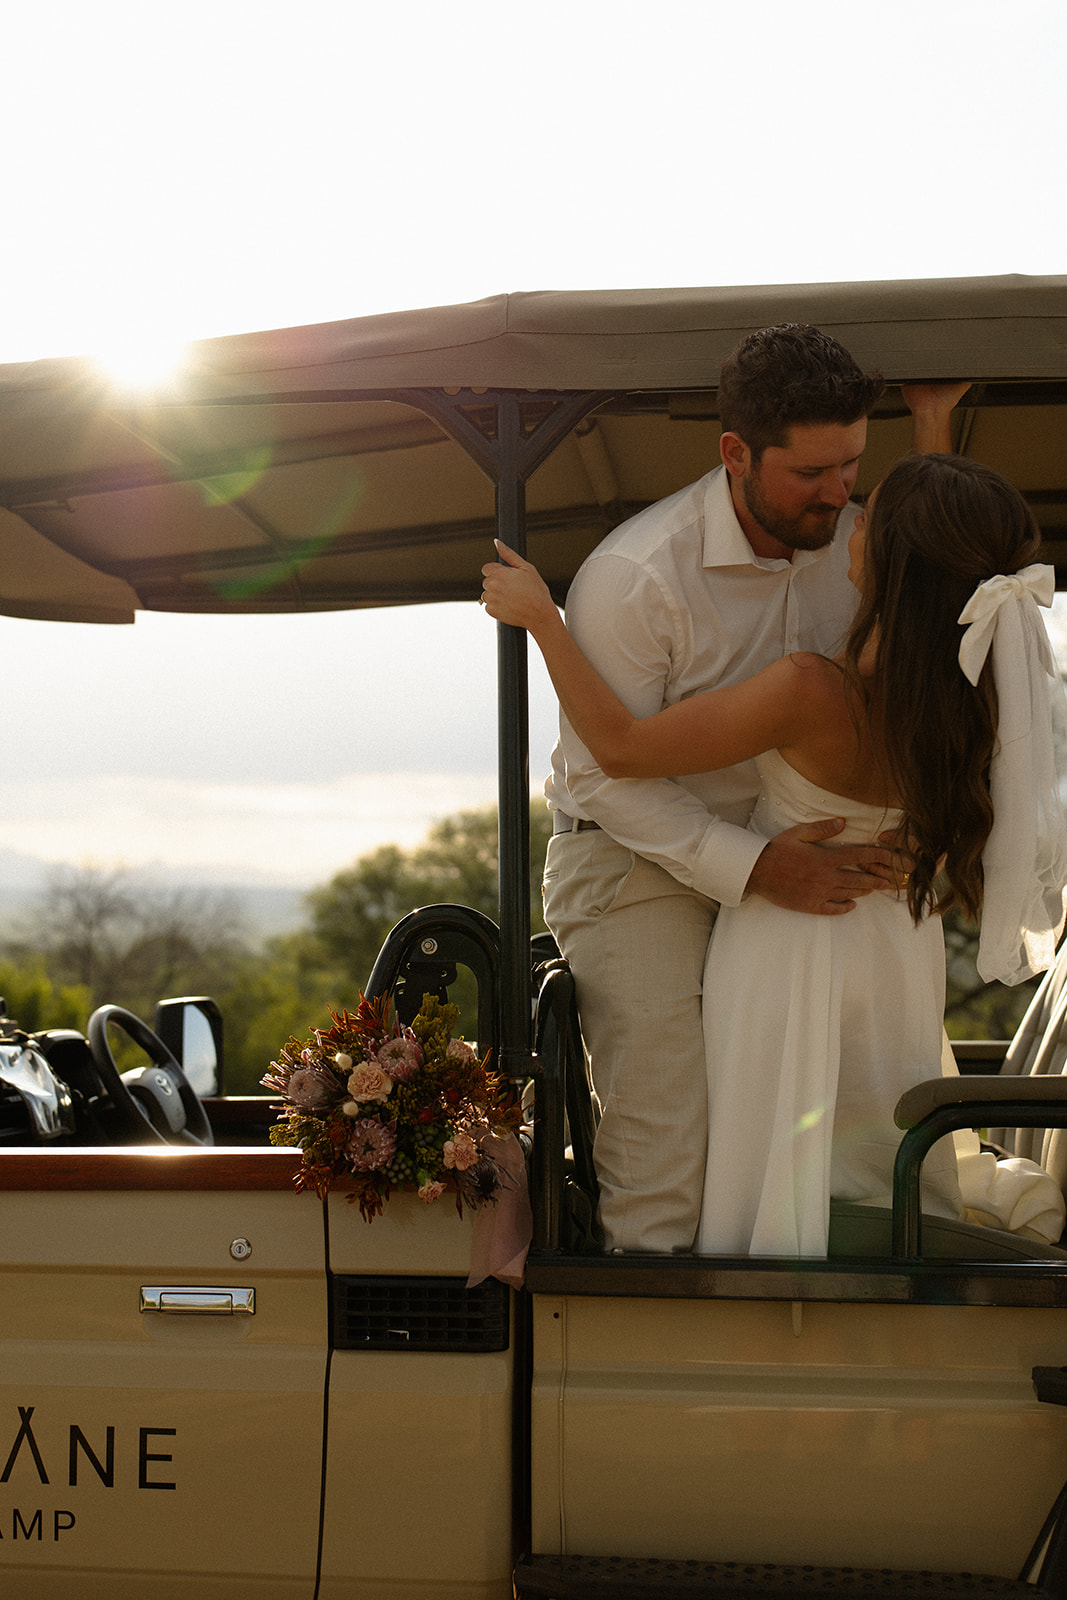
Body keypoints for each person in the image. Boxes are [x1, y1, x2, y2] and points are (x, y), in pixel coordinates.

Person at [483, 452, 1067, 1255]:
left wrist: (544, 623)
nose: (850, 525)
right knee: (874, 1145)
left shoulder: (810, 692)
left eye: (870, 521)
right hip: (894, 948)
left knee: (761, 1150)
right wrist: (934, 432)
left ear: (892, 561)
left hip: (788, 942)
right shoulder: (967, 699)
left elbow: (618, 748)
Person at [523, 320, 958, 1255]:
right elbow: (605, 773)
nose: (839, 493)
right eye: (812, 473)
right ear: (735, 455)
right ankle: (651, 1328)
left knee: (834, 1128)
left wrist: (932, 427)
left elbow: (938, 583)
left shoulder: (860, 543)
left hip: (804, 854)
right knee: (669, 1153)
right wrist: (755, 867)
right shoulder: (636, 576)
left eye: (852, 465)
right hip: (636, 857)